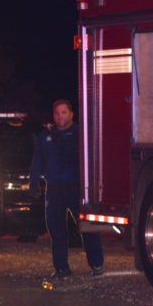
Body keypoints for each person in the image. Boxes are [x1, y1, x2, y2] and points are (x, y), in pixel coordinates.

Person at [29, 99, 104, 278]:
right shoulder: (46, 136)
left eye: (63, 112)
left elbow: (94, 158)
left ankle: (97, 264)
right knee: (57, 230)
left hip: (79, 189)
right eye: (57, 113)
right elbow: (37, 160)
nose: (60, 116)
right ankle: (61, 268)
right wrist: (34, 181)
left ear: (71, 114)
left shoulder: (81, 134)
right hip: (55, 190)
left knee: (88, 228)